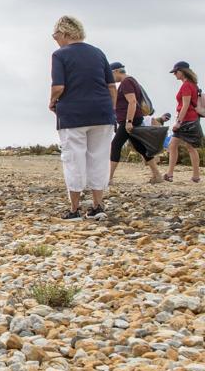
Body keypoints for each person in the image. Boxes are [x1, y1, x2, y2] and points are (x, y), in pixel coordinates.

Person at [48, 15, 117, 219]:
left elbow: (59, 86)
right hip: (102, 113)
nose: (55, 40)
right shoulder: (97, 52)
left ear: (65, 33)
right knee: (99, 157)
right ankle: (97, 206)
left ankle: (75, 209)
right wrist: (110, 108)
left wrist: (52, 101)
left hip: (73, 114)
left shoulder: (60, 55)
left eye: (56, 35)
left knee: (74, 159)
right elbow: (111, 86)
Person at [108, 62, 161, 184]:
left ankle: (109, 178)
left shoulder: (126, 82)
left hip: (130, 119)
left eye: (110, 74)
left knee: (116, 144)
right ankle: (157, 175)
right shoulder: (130, 81)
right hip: (132, 119)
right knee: (140, 147)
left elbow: (132, 102)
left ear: (115, 71)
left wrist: (128, 121)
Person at [164, 60, 202, 183]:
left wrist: (178, 122)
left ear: (182, 71)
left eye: (175, 72)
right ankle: (173, 174)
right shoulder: (193, 84)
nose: (174, 74)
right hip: (192, 119)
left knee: (180, 146)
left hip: (187, 120)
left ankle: (172, 174)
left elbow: (185, 105)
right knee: (184, 147)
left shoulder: (186, 85)